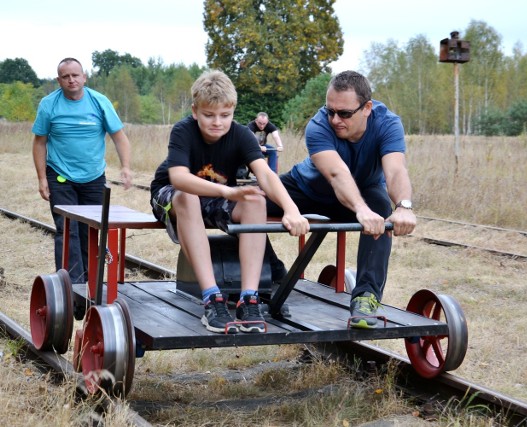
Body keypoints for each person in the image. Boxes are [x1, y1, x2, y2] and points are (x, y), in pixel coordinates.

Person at [150, 70, 309, 334]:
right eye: (209, 115)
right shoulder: (183, 131)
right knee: (189, 196)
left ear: (233, 111)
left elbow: (266, 174)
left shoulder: (241, 134)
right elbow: (179, 178)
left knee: (256, 200)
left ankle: (249, 298)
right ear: (195, 111)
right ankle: (212, 298)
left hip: (214, 197)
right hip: (172, 195)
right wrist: (227, 192)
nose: (217, 122)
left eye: (225, 115)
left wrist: (291, 209)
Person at [267, 70, 416, 329]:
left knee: (380, 208)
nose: (335, 119)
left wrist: (403, 206)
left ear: (367, 108)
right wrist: (360, 209)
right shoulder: (318, 125)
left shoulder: (388, 124)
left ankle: (366, 297)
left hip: (364, 191)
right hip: (307, 189)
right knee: (246, 202)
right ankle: (274, 272)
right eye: (330, 111)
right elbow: (336, 173)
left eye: (345, 114)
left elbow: (395, 170)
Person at [32, 57, 132, 284]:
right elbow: (39, 142)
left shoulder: (99, 102)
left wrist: (126, 167)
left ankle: (92, 285)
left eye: (75, 75)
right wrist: (41, 178)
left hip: (94, 177)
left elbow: (119, 137)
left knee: (92, 230)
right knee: (67, 231)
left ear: (84, 77)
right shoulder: (49, 104)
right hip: (60, 175)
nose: (71, 80)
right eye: (65, 76)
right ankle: (71, 287)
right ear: (58, 80)